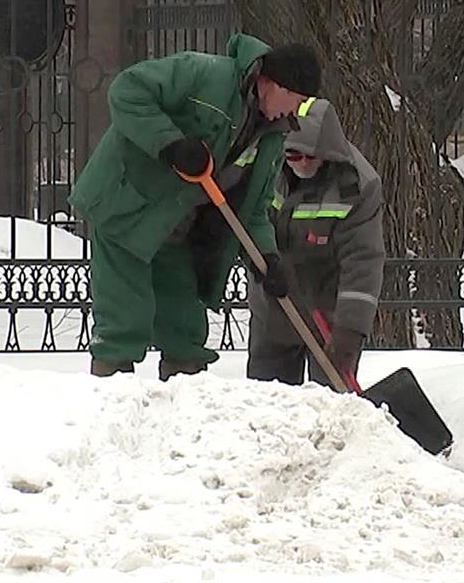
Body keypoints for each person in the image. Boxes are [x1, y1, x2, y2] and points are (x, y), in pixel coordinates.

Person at [68, 33, 322, 381]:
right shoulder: (205, 75)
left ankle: (186, 408)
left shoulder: (272, 136)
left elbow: (254, 207)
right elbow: (126, 91)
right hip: (126, 205)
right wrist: (171, 145)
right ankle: (114, 400)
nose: (294, 111)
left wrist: (268, 259)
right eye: (296, 99)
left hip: (178, 225)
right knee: (123, 322)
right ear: (272, 82)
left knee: (185, 328)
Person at [246, 97, 385, 389]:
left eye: (314, 155)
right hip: (274, 307)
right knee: (268, 408)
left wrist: (349, 330)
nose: (304, 163)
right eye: (295, 156)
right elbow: (247, 222)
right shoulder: (264, 169)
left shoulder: (357, 186)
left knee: (328, 412)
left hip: (329, 316)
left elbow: (363, 261)